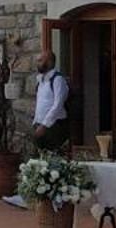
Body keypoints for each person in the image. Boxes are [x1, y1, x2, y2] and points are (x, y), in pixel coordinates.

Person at [5, 51, 71, 207]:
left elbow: (57, 105)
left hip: (53, 126)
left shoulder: (58, 80)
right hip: (40, 124)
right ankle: (28, 195)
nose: (37, 63)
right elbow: (41, 104)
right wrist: (37, 123)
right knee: (35, 161)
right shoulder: (41, 81)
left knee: (52, 162)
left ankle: (55, 199)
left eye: (40, 60)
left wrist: (44, 125)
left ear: (49, 62)